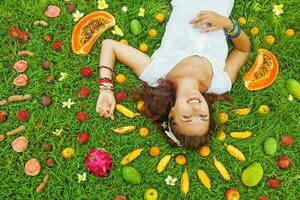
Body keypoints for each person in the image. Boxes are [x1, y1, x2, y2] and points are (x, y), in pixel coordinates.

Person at [96, 0, 251, 149]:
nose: (195, 109)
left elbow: (110, 46)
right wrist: (228, 24)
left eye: (187, 117)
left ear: (172, 113)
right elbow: (243, 50)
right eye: (203, 116)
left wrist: (105, 90)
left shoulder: (156, 75)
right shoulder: (219, 84)